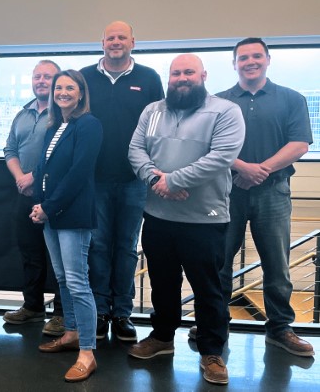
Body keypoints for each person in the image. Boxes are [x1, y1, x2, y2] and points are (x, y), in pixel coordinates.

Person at [127, 54, 245, 385]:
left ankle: (212, 352)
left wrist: (173, 181)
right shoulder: (152, 111)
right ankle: (162, 338)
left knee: (208, 289)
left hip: (205, 221)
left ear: (203, 75)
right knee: (162, 284)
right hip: (158, 216)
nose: (182, 77)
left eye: (188, 72)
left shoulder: (225, 111)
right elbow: (135, 151)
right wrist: (155, 180)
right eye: (176, 72)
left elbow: (222, 157)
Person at [213, 37, 314, 357]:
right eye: (243, 57)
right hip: (226, 193)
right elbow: (211, 145)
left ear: (268, 59)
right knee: (219, 262)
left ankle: (280, 328)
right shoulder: (219, 101)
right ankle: (215, 323)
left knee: (277, 262)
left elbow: (299, 144)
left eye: (257, 56)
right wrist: (242, 167)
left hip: (274, 191)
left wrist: (261, 170)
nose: (250, 61)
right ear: (234, 64)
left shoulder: (291, 99)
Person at [81, 21, 164, 341]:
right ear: (101, 42)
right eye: (110, 38)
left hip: (134, 179)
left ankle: (123, 313)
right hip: (95, 179)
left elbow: (159, 126)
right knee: (98, 246)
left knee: (127, 248)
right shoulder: (85, 77)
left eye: (121, 38)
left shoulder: (149, 78)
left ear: (133, 42)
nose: (115, 42)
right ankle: (101, 311)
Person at [30, 70, 102, 383]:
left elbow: (78, 173)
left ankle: (87, 352)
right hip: (51, 213)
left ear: (81, 93)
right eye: (58, 87)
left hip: (72, 213)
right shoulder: (54, 126)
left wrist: (47, 206)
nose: (62, 92)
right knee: (62, 277)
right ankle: (71, 332)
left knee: (77, 281)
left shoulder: (89, 125)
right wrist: (39, 204)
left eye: (69, 87)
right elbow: (42, 169)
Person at [2, 60, 64, 336]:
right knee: (30, 254)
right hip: (24, 194)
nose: (41, 81)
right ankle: (33, 307)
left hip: (54, 196)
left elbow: (63, 155)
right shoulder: (23, 114)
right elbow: (10, 149)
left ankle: (62, 314)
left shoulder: (64, 114)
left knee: (60, 259)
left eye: (48, 77)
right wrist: (20, 178)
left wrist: (33, 178)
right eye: (37, 76)